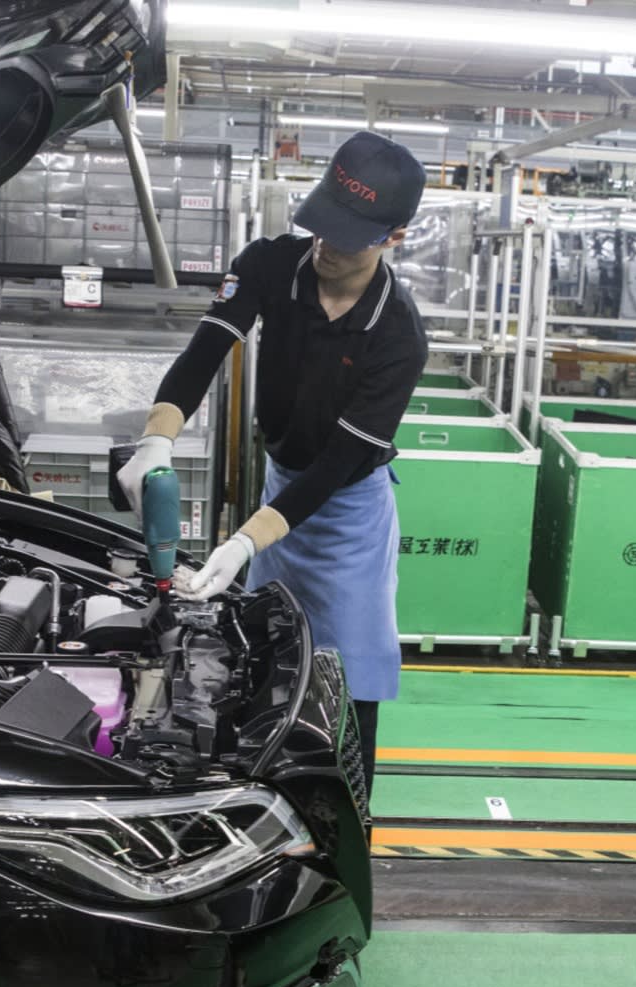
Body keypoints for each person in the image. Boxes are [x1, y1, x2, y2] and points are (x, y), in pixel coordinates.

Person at [116, 131, 428, 792]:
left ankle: (348, 810)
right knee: (265, 651)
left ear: (392, 237)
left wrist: (241, 542)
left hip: (345, 507)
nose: (326, 246)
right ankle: (256, 796)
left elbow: (338, 464)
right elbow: (205, 350)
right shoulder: (270, 263)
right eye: (320, 226)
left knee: (349, 676)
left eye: (347, 237)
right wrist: (157, 440)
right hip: (281, 482)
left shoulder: (396, 335)